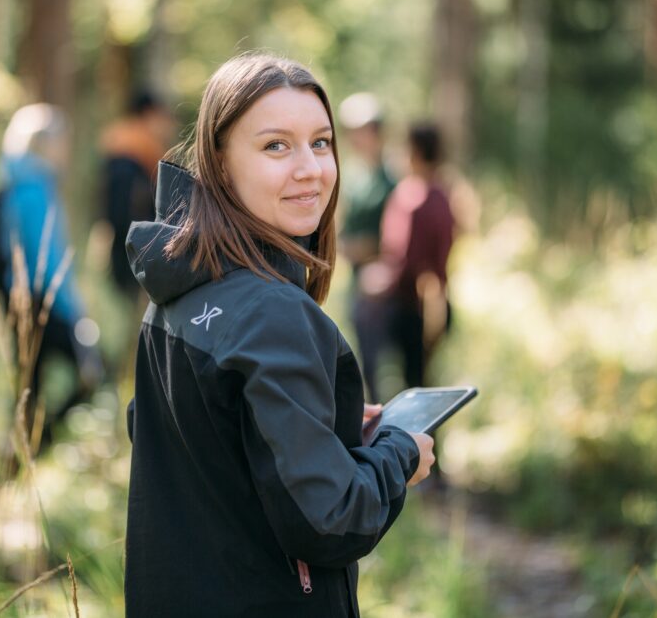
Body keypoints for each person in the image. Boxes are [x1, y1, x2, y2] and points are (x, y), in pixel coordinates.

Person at [122, 54, 436, 618]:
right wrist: (399, 452)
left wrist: (321, 423)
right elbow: (330, 519)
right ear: (219, 162)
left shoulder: (178, 287)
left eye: (320, 143)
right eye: (276, 146)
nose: (311, 169)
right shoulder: (271, 312)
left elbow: (183, 433)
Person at [0, 104, 104, 449]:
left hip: (18, 297)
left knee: (29, 383)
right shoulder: (36, 189)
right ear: (45, 144)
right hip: (45, 300)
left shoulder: (13, 182)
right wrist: (75, 311)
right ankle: (36, 447)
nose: (66, 150)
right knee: (92, 372)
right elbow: (49, 258)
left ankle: (20, 456)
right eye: (62, 142)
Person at [361, 123, 456, 390]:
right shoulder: (443, 195)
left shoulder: (413, 198)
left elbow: (403, 258)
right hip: (433, 300)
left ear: (414, 152)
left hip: (411, 305)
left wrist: (382, 282)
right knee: (422, 380)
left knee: (412, 383)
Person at [336, 93, 396, 403]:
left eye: (361, 129)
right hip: (358, 284)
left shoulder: (393, 176)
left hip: (390, 289)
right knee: (366, 365)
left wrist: (370, 249)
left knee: (395, 367)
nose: (355, 138)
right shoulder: (353, 176)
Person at [97, 91, 175, 300]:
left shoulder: (117, 146)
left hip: (119, 249)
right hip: (133, 255)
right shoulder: (135, 155)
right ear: (148, 114)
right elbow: (127, 213)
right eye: (162, 118)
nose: (167, 126)